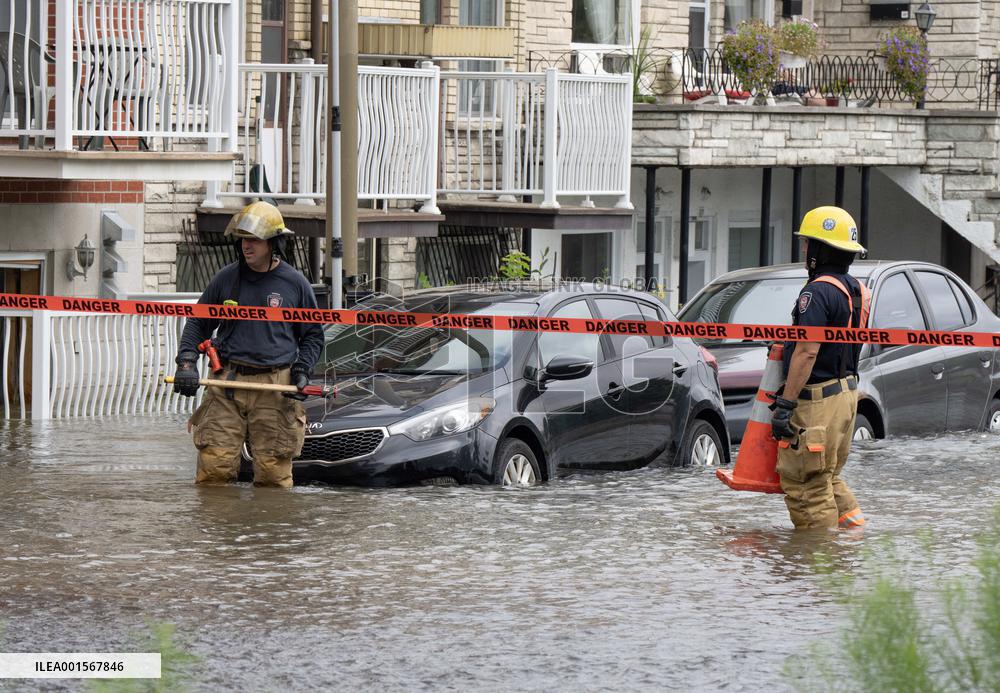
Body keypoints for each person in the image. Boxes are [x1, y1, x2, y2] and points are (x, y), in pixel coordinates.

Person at [172, 202, 325, 488]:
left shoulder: (295, 284)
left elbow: (313, 336)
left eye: (254, 239)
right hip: (226, 383)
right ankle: (217, 520)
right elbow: (197, 322)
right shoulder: (226, 278)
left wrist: (303, 369)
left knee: (273, 475)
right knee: (214, 470)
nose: (246, 246)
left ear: (273, 243)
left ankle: (267, 520)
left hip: (275, 386)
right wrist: (187, 362)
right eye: (243, 239)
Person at [770, 206, 870, 530]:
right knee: (828, 477)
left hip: (817, 403)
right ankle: (854, 543)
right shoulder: (857, 290)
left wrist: (785, 404)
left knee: (806, 488)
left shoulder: (816, 291)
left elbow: (807, 351)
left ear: (820, 250)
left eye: (808, 243)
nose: (804, 250)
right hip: (846, 397)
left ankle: (821, 559)